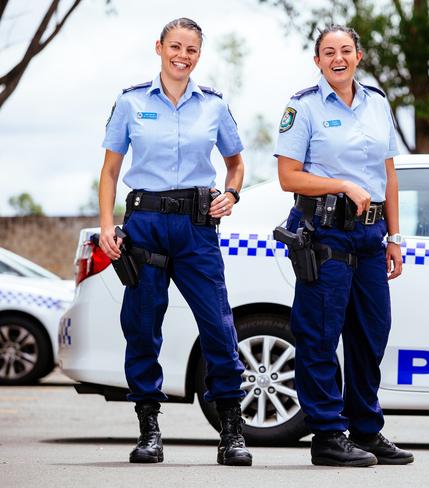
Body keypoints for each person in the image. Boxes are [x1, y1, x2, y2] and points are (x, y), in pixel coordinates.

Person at [97, 17, 252, 466]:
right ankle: (149, 428)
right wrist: (108, 225)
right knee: (143, 325)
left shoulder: (215, 106)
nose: (183, 56)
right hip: (144, 223)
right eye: (176, 47)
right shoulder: (130, 103)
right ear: (159, 47)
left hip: (197, 227)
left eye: (192, 50)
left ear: (199, 55)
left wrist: (232, 193)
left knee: (219, 326)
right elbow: (109, 172)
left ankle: (231, 430)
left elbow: (236, 163)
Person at [274, 24, 414, 467]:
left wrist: (394, 236)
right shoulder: (304, 107)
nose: (338, 57)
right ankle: (328, 435)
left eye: (346, 50)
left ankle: (367, 431)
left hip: (372, 237)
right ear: (317, 61)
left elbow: (389, 176)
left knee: (371, 334)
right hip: (325, 233)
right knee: (319, 335)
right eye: (328, 51)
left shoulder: (377, 104)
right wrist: (342, 185)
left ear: (358, 55)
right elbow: (288, 176)